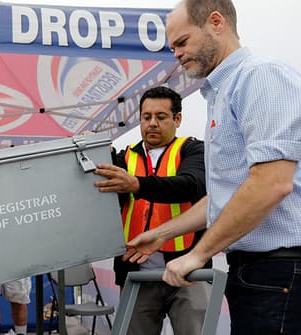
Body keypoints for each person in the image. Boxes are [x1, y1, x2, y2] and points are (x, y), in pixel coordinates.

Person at [123, 1, 301, 334]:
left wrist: (197, 253)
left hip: (279, 269)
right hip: (256, 273)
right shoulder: (221, 93)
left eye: (182, 42)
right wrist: (160, 235)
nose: (175, 53)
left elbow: (271, 184)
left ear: (215, 22)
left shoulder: (261, 76)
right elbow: (226, 196)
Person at [93, 86, 208, 335]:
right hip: (135, 274)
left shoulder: (193, 150)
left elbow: (190, 185)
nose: (152, 123)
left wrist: (136, 184)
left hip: (188, 271)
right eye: (146, 117)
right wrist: (93, 151)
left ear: (177, 119)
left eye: (161, 117)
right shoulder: (124, 158)